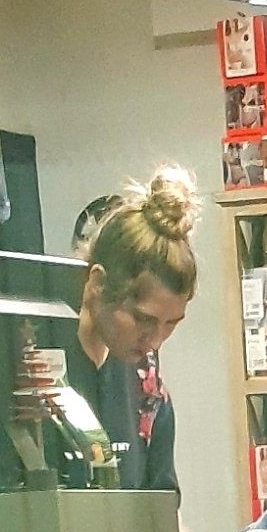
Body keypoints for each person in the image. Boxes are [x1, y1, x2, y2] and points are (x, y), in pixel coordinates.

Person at [63, 169, 198, 502]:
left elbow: (162, 506)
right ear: (97, 284)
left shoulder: (146, 381)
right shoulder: (38, 365)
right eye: (143, 319)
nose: (155, 341)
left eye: (171, 324)